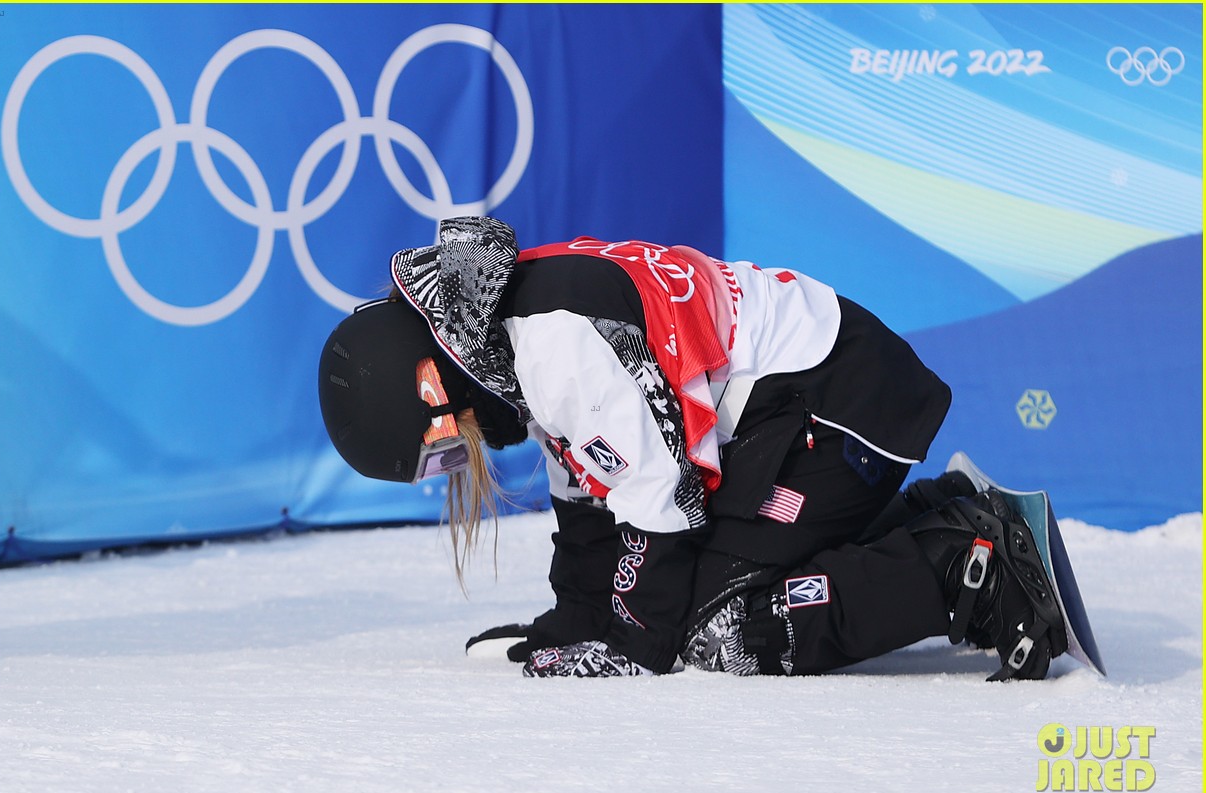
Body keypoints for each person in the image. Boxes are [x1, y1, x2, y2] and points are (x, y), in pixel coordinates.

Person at [318, 216, 1067, 681]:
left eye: (437, 442)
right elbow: (587, 494)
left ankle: (969, 570)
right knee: (692, 591)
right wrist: (578, 620)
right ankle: (938, 517)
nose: (453, 453)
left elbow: (659, 499)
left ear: (428, 382)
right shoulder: (508, 337)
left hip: (838, 405)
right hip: (815, 395)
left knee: (719, 631)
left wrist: (632, 642)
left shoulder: (553, 345)